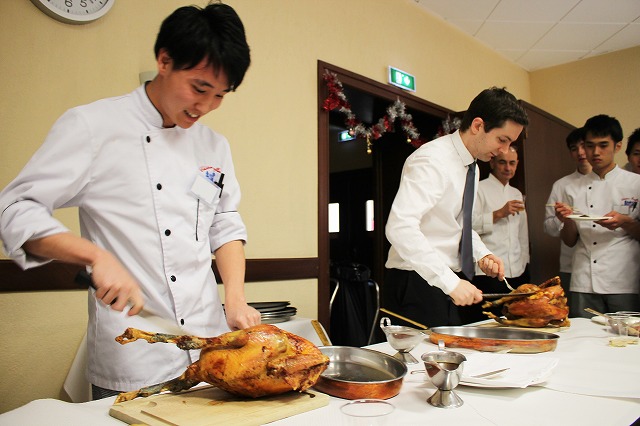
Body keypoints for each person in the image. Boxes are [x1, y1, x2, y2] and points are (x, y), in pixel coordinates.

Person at [0, 3, 261, 399]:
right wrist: (96, 257)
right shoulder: (94, 126)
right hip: (134, 351)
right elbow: (15, 209)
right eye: (199, 88)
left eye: (220, 95)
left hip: (208, 344)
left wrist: (235, 298)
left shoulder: (214, 146)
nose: (206, 106)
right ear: (164, 61)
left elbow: (223, 222)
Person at [384, 87, 529, 327]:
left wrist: (482, 254)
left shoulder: (472, 167)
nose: (503, 150)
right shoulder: (432, 160)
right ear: (478, 125)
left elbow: (460, 224)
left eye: (510, 143)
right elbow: (400, 227)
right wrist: (449, 282)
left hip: (443, 278)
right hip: (415, 280)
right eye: (502, 140)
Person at [554, 115, 640, 317]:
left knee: (626, 335)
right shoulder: (571, 187)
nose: (595, 152)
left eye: (603, 145)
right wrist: (567, 220)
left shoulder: (635, 184)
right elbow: (569, 241)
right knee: (583, 333)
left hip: (623, 278)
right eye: (590, 145)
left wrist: (625, 222)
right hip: (583, 278)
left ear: (617, 146)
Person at [460, 146, 529, 324]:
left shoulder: (516, 193)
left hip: (517, 269)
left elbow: (522, 231)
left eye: (512, 163)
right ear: (492, 163)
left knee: (515, 321)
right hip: (487, 271)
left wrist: (524, 261)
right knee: (488, 322)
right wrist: (499, 213)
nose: (508, 168)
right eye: (502, 162)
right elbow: (465, 225)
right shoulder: (480, 189)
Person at [543, 128, 592, 313]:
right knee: (574, 315)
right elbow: (548, 227)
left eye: (583, 146)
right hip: (571, 265)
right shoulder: (562, 185)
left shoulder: (607, 182)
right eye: (574, 148)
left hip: (610, 267)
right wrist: (560, 219)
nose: (580, 152)